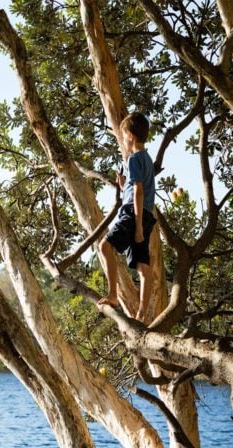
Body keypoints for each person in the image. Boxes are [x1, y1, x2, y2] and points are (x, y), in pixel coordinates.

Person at [97, 112, 156, 323]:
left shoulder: (134, 159)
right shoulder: (147, 159)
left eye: (123, 136)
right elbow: (138, 188)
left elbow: (139, 191)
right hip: (146, 213)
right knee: (143, 265)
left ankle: (113, 295)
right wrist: (124, 187)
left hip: (134, 213)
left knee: (104, 246)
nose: (122, 140)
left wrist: (138, 225)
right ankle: (141, 314)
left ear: (130, 136)